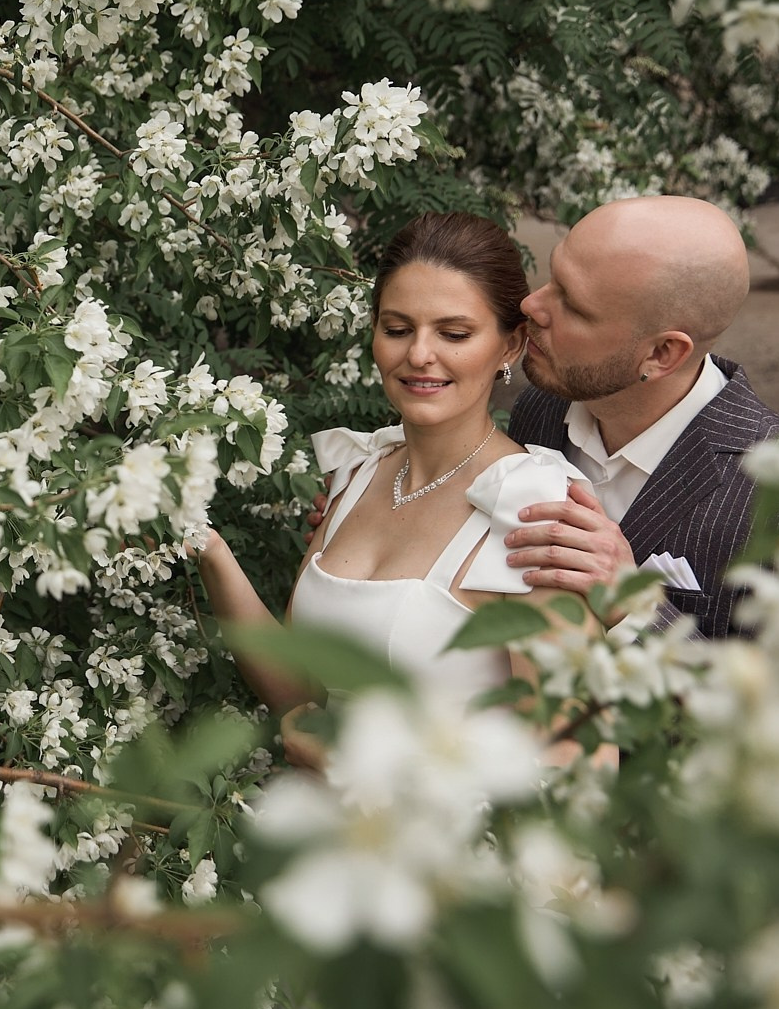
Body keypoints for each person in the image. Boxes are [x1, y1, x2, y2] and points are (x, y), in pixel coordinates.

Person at [195, 212, 593, 757]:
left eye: (454, 333)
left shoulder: (536, 510)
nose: (418, 355)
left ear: (510, 346)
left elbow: (573, 772)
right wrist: (208, 549)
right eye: (398, 329)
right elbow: (304, 690)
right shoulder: (359, 470)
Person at [305, 195, 779, 638]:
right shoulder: (543, 408)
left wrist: (636, 608)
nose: (531, 305)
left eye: (573, 306)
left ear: (662, 353)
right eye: (553, 278)